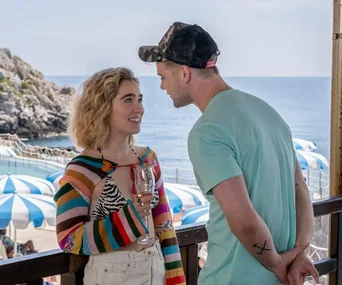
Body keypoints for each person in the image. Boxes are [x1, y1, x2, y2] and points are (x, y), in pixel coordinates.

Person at [138, 22, 320, 285]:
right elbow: (300, 189)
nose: (163, 87)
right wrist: (299, 252)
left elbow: (244, 222)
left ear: (185, 73)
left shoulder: (208, 131)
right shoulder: (270, 114)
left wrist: (278, 265)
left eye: (163, 77)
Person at [53, 67, 185, 285]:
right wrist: (128, 220)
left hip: (156, 268)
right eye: (128, 100)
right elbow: (68, 238)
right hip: (111, 276)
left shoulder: (148, 159)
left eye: (140, 99)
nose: (140, 108)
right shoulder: (83, 169)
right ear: (102, 108)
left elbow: (164, 225)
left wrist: (176, 279)